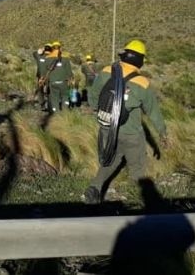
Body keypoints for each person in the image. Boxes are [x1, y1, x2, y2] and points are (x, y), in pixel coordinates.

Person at [84, 40, 166, 204]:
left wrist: (100, 112)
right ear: (140, 60)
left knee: (111, 159)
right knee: (137, 165)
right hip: (131, 133)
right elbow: (153, 112)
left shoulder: (106, 71)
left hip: (107, 127)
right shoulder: (142, 82)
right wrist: (163, 133)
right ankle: (139, 197)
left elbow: (93, 96)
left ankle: (95, 187)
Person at [41, 41, 73, 113]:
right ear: (60, 48)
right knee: (65, 96)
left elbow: (44, 72)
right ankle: (65, 111)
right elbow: (69, 72)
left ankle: (56, 112)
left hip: (52, 82)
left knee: (54, 97)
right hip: (63, 82)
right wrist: (71, 79)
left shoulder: (47, 58)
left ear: (52, 49)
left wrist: (43, 80)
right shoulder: (65, 58)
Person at [33, 43, 52, 110]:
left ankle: (43, 105)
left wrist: (41, 50)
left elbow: (34, 53)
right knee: (49, 91)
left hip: (41, 77)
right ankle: (49, 105)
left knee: (40, 90)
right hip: (48, 77)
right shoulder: (52, 57)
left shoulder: (39, 56)